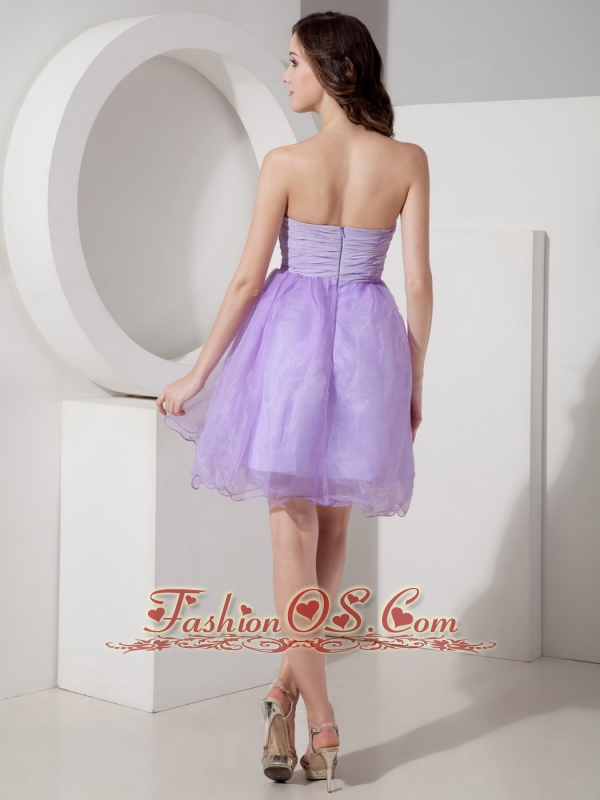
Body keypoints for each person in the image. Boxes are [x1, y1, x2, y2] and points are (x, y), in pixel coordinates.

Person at [156, 11, 432, 793]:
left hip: (291, 350)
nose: (285, 76)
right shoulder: (407, 159)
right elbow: (418, 284)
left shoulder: (285, 162)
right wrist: (413, 383)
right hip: (370, 350)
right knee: (331, 530)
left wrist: (198, 376)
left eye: (293, 63)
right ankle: (283, 692)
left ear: (332, 70)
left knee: (292, 535)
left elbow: (249, 280)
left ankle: (324, 723)